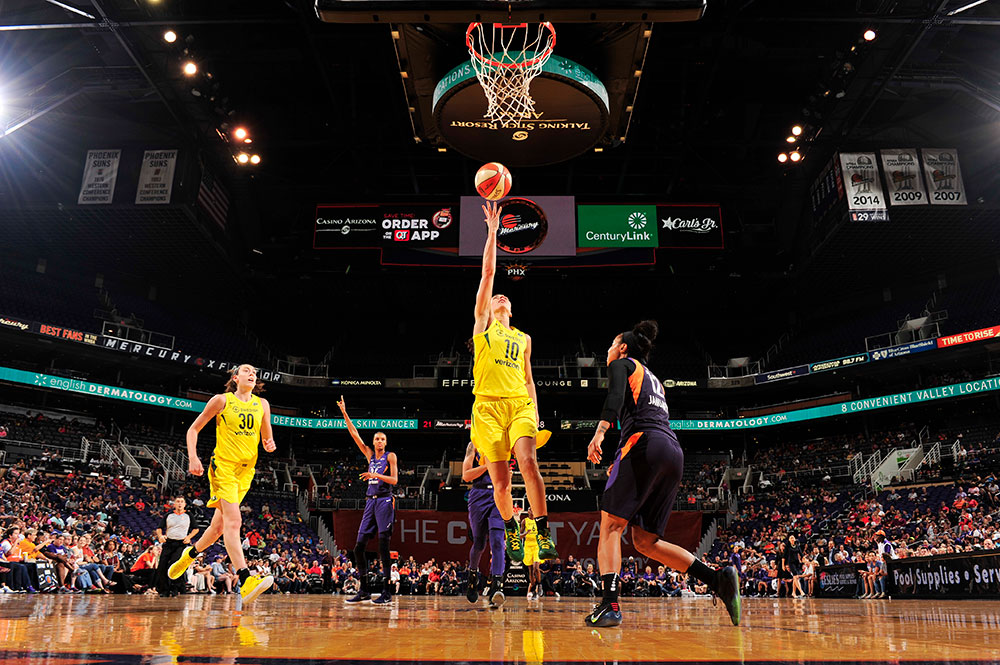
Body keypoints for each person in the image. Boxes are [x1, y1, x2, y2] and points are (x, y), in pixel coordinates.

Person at [584, 320, 739, 627]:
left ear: (623, 347)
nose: (609, 350)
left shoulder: (623, 365)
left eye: (612, 344)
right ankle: (716, 579)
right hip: (671, 451)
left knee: (611, 527)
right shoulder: (654, 378)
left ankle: (609, 604)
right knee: (646, 542)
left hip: (645, 444)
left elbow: (614, 399)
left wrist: (599, 432)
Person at [469, 200, 557, 564]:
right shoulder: (482, 328)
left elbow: (529, 379)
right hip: (486, 408)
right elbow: (489, 275)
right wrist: (492, 232)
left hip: (519, 404)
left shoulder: (524, 338)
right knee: (502, 485)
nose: (500, 297)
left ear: (511, 311)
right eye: (495, 299)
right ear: (488, 309)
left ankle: (541, 531)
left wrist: (535, 411)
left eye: (506, 298)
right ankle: (510, 528)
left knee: (528, 462)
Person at [167, 364, 277, 606]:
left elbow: (266, 436)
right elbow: (193, 429)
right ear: (236, 378)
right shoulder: (221, 401)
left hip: (246, 472)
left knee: (217, 529)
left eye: (255, 373)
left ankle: (190, 555)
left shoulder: (263, 405)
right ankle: (245, 579)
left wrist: (269, 443)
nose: (252, 374)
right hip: (223, 467)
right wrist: (193, 457)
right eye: (246, 371)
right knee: (234, 521)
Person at [337, 396, 398, 605]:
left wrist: (376, 476)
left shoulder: (390, 457)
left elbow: (395, 479)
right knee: (358, 547)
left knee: (383, 547)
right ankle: (364, 590)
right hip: (370, 502)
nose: (379, 441)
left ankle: (387, 591)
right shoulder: (370, 455)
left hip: (384, 500)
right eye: (376, 439)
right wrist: (345, 413)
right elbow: (354, 434)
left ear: (386, 442)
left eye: (382, 439)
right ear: (373, 442)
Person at [462, 440, 507, 607]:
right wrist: (488, 466)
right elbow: (466, 476)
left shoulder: (502, 442)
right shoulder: (473, 445)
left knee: (497, 541)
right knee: (479, 543)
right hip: (478, 494)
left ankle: (497, 585)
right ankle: (472, 576)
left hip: (498, 493)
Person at [155, 496, 198, 597]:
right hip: (169, 543)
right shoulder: (168, 515)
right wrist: (160, 536)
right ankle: (164, 590)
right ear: (174, 504)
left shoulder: (189, 515)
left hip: (181, 544)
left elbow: (196, 529)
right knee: (162, 566)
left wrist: (189, 537)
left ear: (184, 504)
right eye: (177, 501)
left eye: (182, 502)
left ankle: (174, 588)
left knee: (175, 565)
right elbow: (159, 528)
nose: (179, 503)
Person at [521, 508, 542, 600]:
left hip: (536, 546)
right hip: (528, 547)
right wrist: (526, 533)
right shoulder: (524, 521)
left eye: (533, 509)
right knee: (530, 570)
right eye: (530, 509)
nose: (531, 511)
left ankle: (540, 585)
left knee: (536, 567)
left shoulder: (539, 521)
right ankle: (533, 588)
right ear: (528, 511)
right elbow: (519, 535)